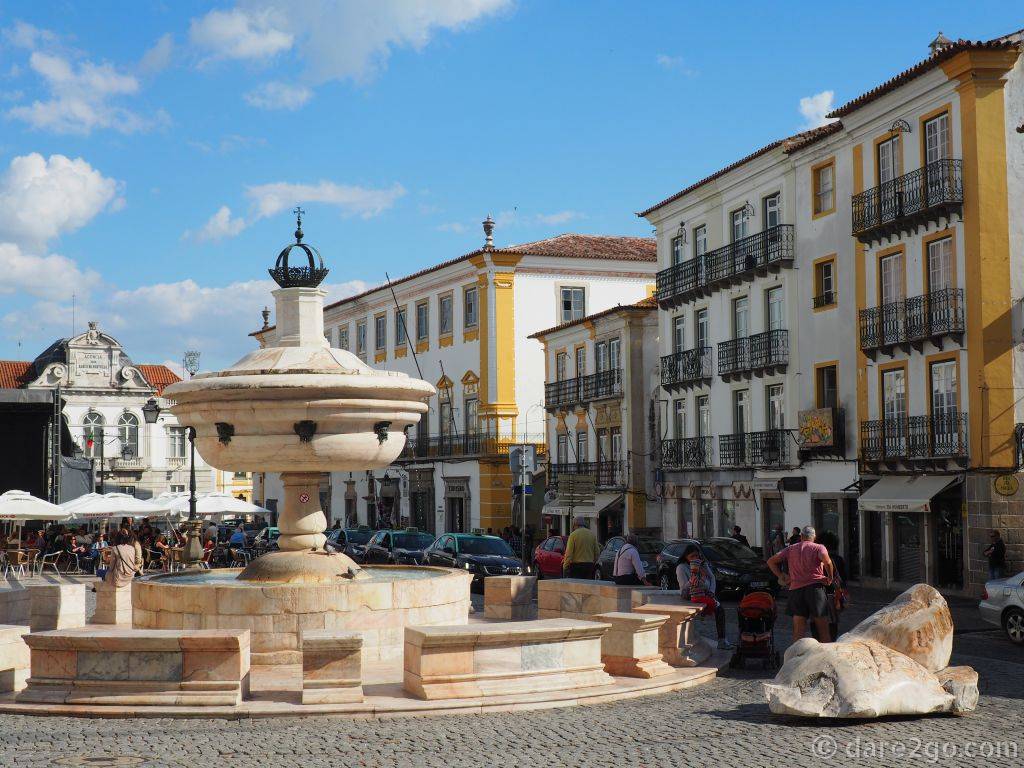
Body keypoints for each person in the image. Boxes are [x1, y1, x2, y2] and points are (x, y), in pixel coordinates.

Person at [767, 525, 835, 643]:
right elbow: (828, 562)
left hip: (796, 590)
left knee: (798, 631)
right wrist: (830, 578)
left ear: (801, 536)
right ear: (814, 537)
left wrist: (781, 576)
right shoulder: (819, 547)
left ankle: (796, 658)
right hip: (815, 589)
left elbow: (771, 561)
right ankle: (826, 657)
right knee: (823, 630)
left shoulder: (791, 548)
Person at [675, 544, 732, 649]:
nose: (695, 558)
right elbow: (684, 588)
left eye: (697, 556)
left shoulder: (703, 565)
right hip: (690, 593)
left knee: (720, 609)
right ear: (686, 557)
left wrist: (711, 591)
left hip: (705, 592)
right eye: (692, 556)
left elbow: (712, 578)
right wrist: (693, 576)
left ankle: (722, 640)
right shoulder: (681, 567)